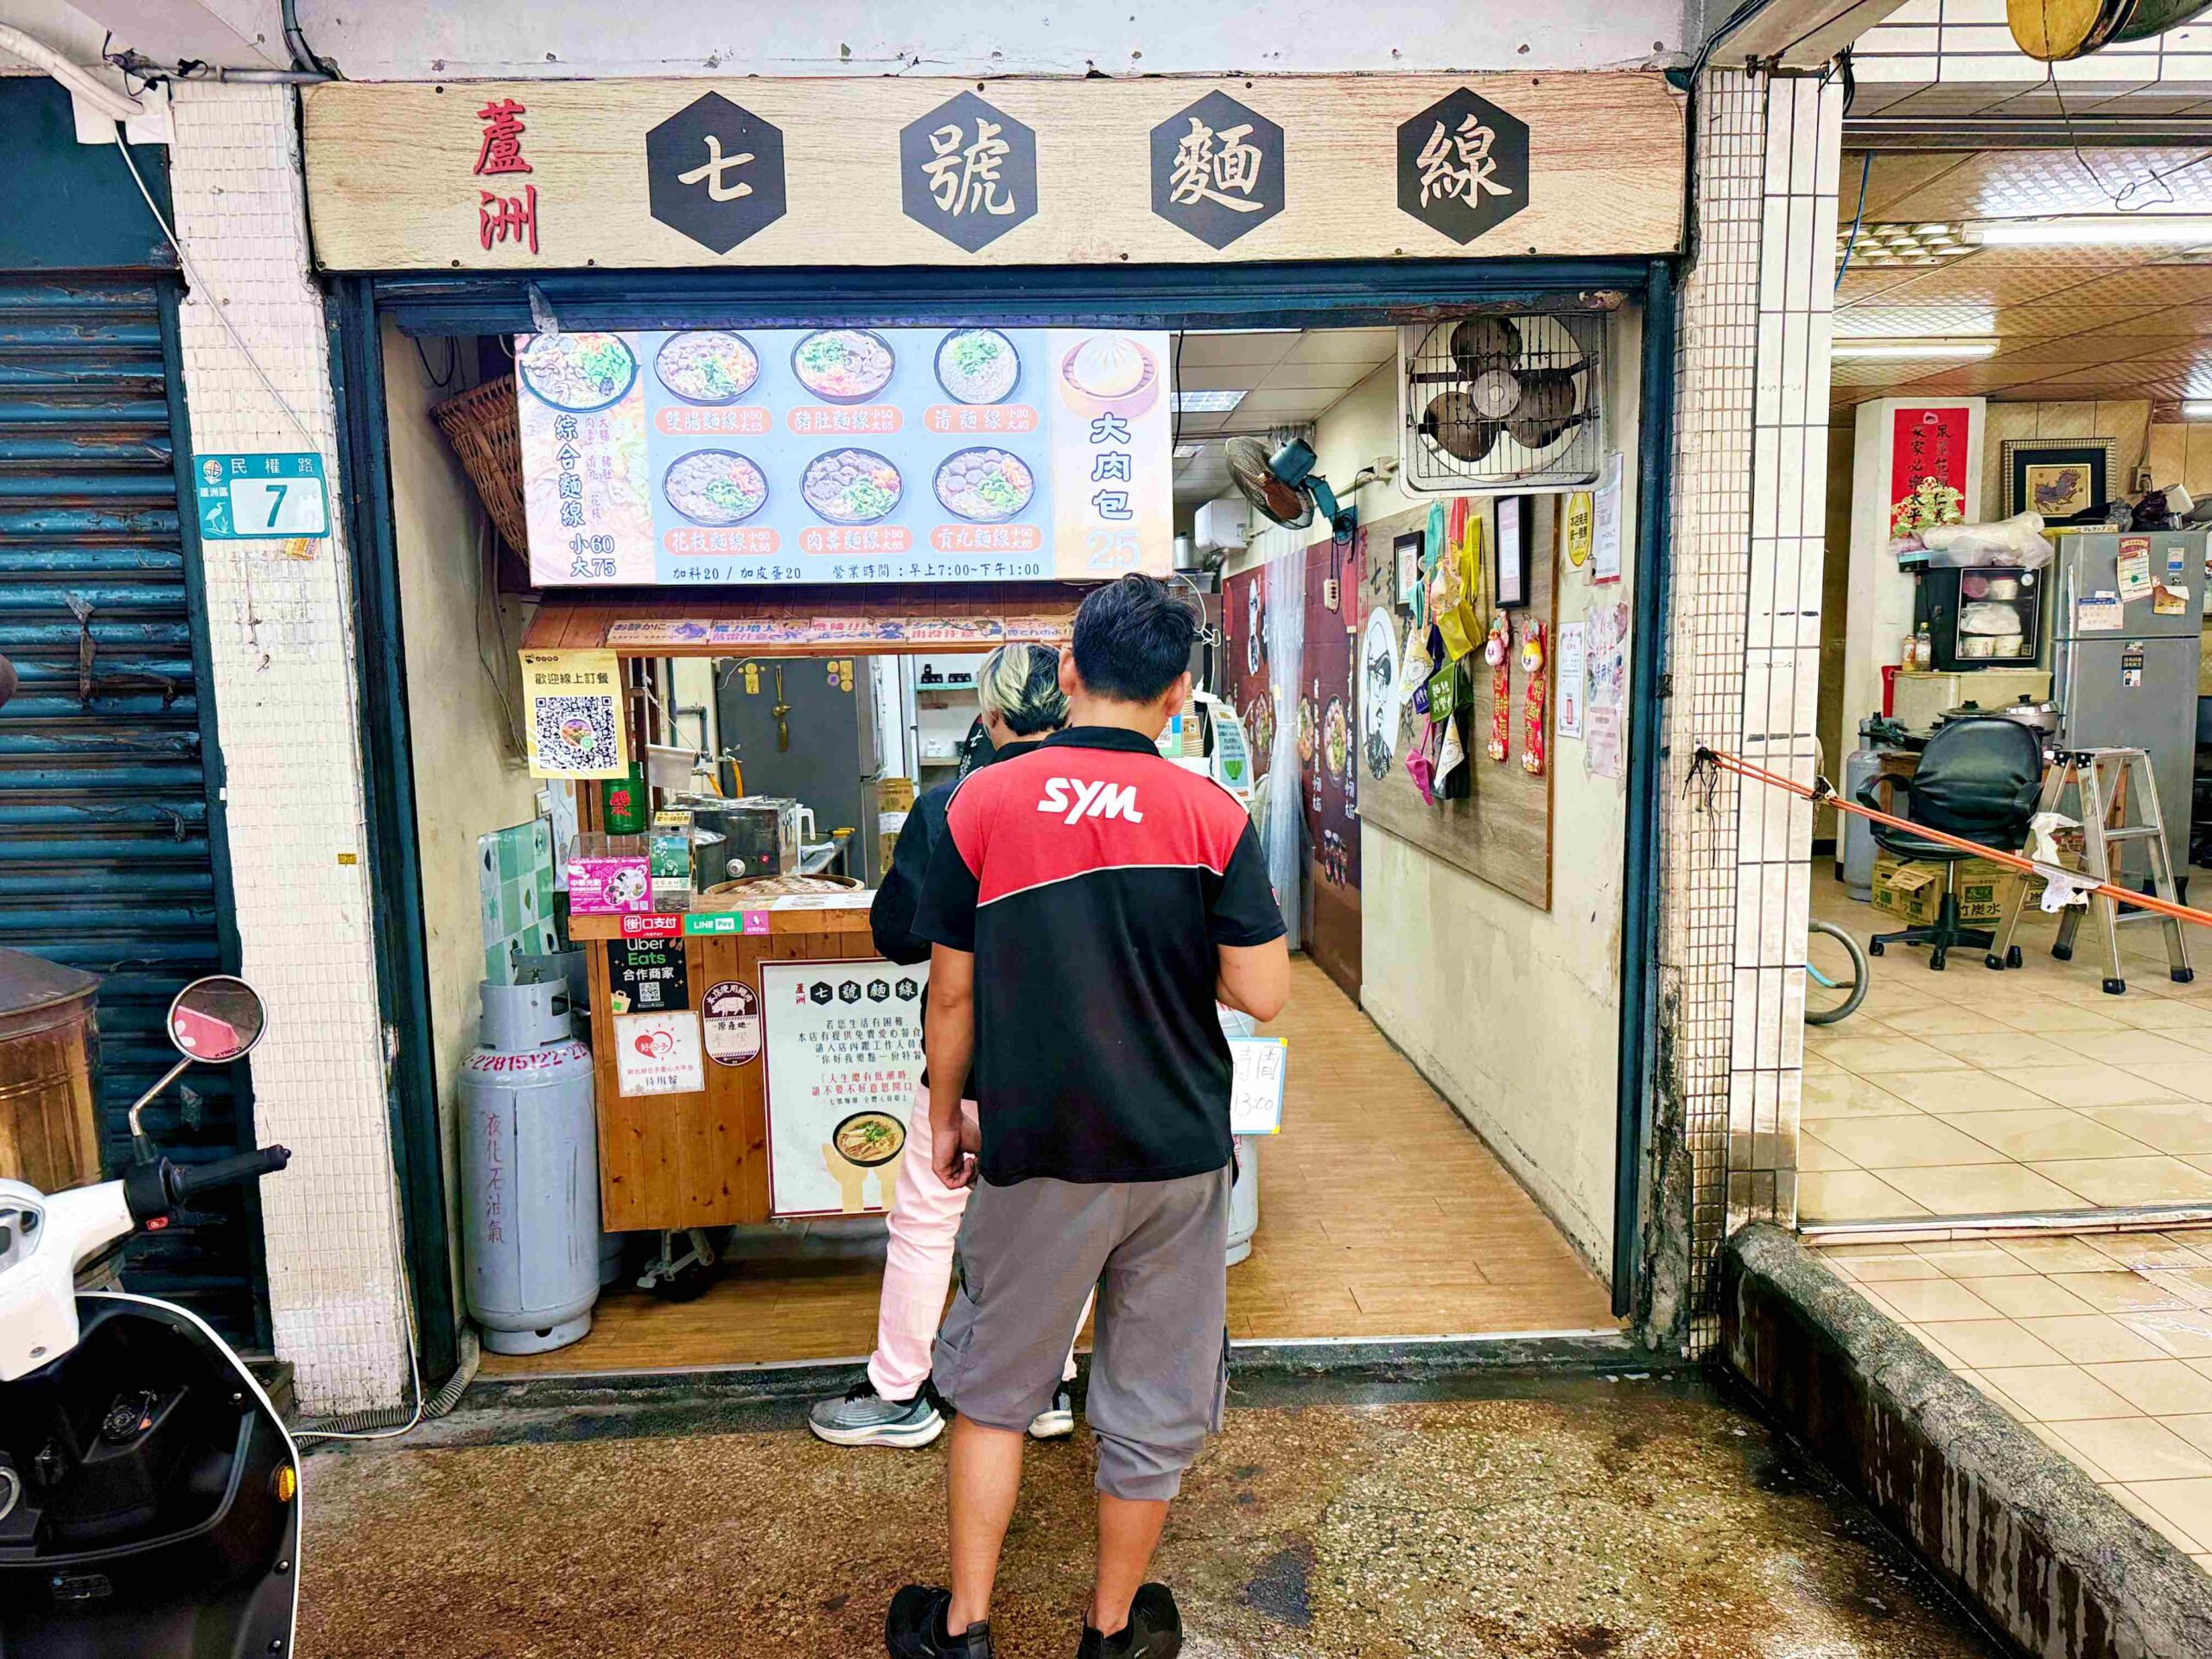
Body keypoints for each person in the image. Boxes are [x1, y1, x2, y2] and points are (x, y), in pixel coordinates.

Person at [887, 575, 1291, 1659]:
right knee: (1152, 1398)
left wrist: (941, 1116)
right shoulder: (1212, 815)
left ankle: (965, 1628)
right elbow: (1261, 993)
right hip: (1174, 1153)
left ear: (1067, 672)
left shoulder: (983, 803)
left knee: (996, 1389)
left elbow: (954, 993)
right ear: (1181, 690)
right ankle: (1110, 1631)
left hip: (1039, 1149)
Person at [808, 643, 1086, 1449]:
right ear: (1066, 708)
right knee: (1055, 1225)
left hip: (979, 1055)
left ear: (990, 716)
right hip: (1082, 1057)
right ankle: (1048, 1389)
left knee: (930, 1218)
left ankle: (900, 1393)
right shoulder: (1102, 799)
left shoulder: (949, 805)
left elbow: (896, 935)